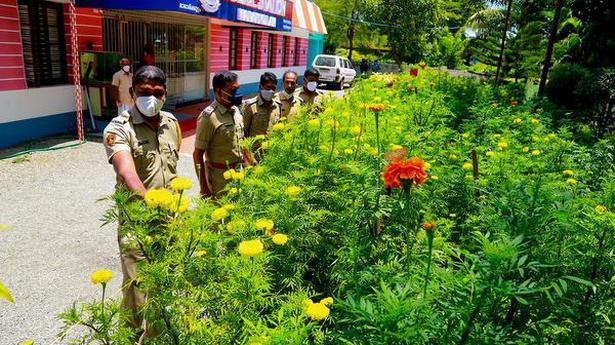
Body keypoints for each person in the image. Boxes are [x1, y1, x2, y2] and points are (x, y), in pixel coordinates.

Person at [102, 66, 181, 338]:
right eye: (145, 92)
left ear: (165, 94)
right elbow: (126, 172)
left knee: (162, 284)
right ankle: (128, 338)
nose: (151, 98)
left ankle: (155, 338)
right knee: (137, 286)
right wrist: (148, 199)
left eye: (157, 93)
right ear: (133, 93)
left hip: (168, 221)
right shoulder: (118, 128)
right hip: (137, 222)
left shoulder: (171, 124)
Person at [193, 72, 247, 199]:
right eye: (232, 91)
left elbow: (241, 140)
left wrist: (248, 166)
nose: (236, 94)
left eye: (237, 89)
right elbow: (197, 154)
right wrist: (204, 187)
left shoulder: (236, 111)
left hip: (238, 173)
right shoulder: (209, 117)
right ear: (218, 92)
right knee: (220, 215)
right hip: (219, 178)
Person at [242, 72, 281, 138]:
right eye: (268, 87)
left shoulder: (277, 106)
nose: (271, 91)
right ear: (261, 87)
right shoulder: (251, 106)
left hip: (272, 147)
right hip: (256, 147)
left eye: (273, 88)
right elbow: (244, 131)